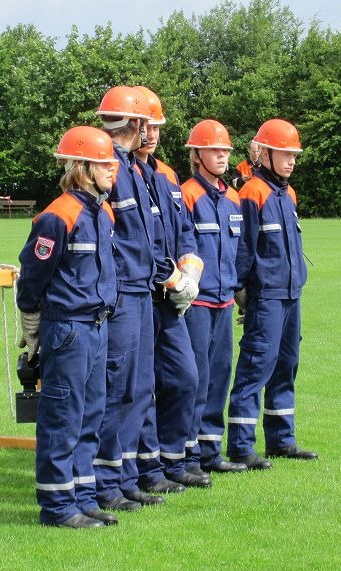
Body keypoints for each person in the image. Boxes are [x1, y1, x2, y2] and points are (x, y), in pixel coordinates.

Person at [16, 125, 119, 528]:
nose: (113, 169)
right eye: (105, 163)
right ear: (83, 168)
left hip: (97, 326)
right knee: (63, 418)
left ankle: (83, 497)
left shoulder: (103, 212)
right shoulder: (57, 216)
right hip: (69, 329)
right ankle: (58, 507)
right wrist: (32, 326)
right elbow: (33, 277)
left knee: (91, 416)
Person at [92, 85, 179, 511]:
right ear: (137, 124)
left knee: (139, 387)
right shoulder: (108, 164)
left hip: (141, 289)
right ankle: (107, 483)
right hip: (123, 293)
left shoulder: (131, 167)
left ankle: (125, 476)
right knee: (119, 388)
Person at [131, 87, 210, 491]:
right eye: (145, 126)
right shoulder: (123, 173)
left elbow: (183, 232)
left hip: (172, 298)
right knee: (142, 385)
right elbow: (134, 242)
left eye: (156, 126)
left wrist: (190, 270)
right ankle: (147, 469)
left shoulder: (166, 175)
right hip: (143, 294)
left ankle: (173, 459)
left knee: (184, 378)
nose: (151, 134)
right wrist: (171, 277)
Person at [228, 118, 318, 467]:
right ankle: (241, 447)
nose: (291, 160)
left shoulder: (288, 193)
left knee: (286, 366)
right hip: (265, 297)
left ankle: (282, 440)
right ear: (264, 154)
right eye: (284, 154)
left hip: (291, 294)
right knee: (256, 366)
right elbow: (244, 248)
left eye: (294, 154)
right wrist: (241, 293)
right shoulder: (252, 192)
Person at [180, 120, 248, 476]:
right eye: (214, 150)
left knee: (219, 376)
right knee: (196, 379)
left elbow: (237, 254)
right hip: (196, 305)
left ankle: (210, 452)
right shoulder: (187, 194)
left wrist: (240, 293)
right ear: (197, 155)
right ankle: (188, 456)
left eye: (225, 150)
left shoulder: (233, 198)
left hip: (223, 303)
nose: (222, 156)